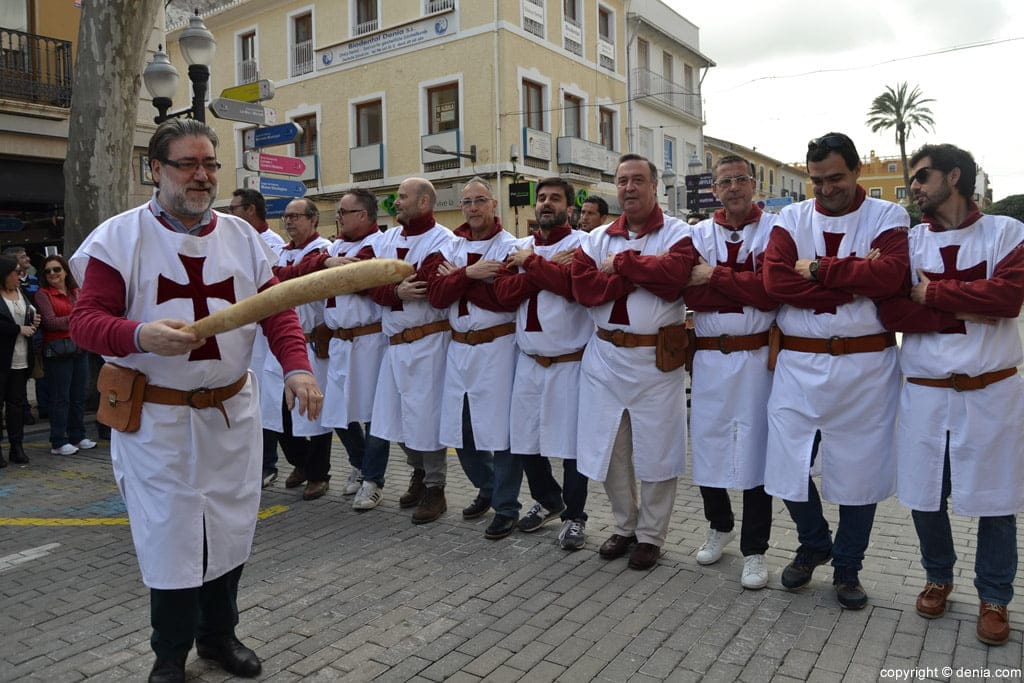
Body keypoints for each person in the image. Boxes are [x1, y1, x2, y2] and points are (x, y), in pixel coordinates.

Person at [68, 119, 320, 683]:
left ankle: (219, 637)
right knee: (171, 538)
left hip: (230, 414)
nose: (202, 175)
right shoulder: (119, 238)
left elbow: (276, 310)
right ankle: (169, 654)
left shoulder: (243, 237)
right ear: (156, 170)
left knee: (230, 530)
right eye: (188, 164)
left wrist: (298, 367)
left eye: (210, 164)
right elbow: (85, 322)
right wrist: (139, 335)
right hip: (157, 421)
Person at [879, 143, 1024, 645]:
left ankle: (995, 597)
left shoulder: (1007, 232)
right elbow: (892, 311)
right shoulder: (909, 243)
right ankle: (938, 575)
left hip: (991, 391)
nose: (914, 187)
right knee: (925, 495)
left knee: (997, 499)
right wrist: (971, 307)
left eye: (922, 176)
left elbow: (1008, 298)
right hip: (925, 392)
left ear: (954, 176)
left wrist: (934, 294)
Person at [762, 132, 909, 610]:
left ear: (857, 170)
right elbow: (775, 281)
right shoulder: (791, 217)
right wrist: (855, 279)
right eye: (817, 180)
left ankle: (848, 566)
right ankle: (814, 541)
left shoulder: (887, 215)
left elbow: (891, 276)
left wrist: (816, 269)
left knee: (860, 468)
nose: (825, 189)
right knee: (785, 460)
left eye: (835, 178)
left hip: (866, 365)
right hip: (798, 363)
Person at [571, 154, 693, 571]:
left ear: (654, 186)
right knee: (612, 448)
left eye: (638, 180)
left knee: (658, 450)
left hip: (655, 361)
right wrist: (642, 274)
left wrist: (622, 265)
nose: (629, 188)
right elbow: (584, 288)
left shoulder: (677, 233)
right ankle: (625, 525)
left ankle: (651, 535)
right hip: (605, 358)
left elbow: (675, 277)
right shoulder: (597, 238)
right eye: (622, 181)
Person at [683, 155, 777, 589]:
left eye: (741, 179)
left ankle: (755, 549)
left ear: (753, 184)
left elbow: (771, 292)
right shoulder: (697, 234)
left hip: (756, 357)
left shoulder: (776, 230)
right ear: (714, 189)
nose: (734, 187)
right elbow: (689, 294)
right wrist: (743, 283)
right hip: (709, 357)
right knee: (708, 445)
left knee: (756, 452)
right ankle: (719, 525)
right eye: (725, 181)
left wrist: (716, 277)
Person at [493, 177, 592, 550]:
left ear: (570, 207)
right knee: (524, 441)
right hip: (529, 360)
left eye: (556, 198)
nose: (547, 203)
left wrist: (532, 266)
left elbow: (574, 288)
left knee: (570, 447)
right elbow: (502, 294)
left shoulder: (583, 245)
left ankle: (575, 516)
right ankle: (549, 499)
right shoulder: (519, 247)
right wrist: (545, 269)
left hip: (570, 362)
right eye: (542, 198)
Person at [427, 177, 520, 539]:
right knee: (461, 429)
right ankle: (488, 486)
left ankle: (506, 506)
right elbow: (436, 295)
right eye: (467, 202)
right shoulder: (451, 246)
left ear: (494, 204)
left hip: (497, 348)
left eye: (480, 200)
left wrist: (458, 281)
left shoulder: (510, 246)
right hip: (459, 349)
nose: (473, 208)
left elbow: (504, 298)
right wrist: (470, 274)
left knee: (501, 432)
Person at [368, 178, 454, 524]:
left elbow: (427, 284)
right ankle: (418, 471)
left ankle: (436, 487)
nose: (397, 202)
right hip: (395, 344)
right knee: (395, 418)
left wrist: (390, 287)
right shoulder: (386, 239)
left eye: (403, 197)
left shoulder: (443, 240)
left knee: (426, 418)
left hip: (428, 342)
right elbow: (369, 284)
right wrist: (393, 291)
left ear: (424, 202)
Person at [321, 189, 391, 511]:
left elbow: (360, 277)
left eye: (343, 212)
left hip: (369, 342)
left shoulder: (379, 244)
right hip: (339, 342)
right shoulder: (334, 247)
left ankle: (374, 480)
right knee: (336, 410)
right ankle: (361, 464)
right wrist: (326, 262)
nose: (338, 217)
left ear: (363, 215)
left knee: (373, 414)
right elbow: (311, 268)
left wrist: (330, 269)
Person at [268, 198, 334, 501]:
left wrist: (293, 273)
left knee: (315, 411)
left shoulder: (325, 250)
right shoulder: (282, 252)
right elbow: (274, 279)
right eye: (286, 216)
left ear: (313, 219)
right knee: (280, 411)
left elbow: (302, 281)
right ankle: (301, 461)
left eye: (296, 216)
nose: (289, 221)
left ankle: (318, 473)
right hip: (287, 344)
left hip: (313, 342)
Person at [229, 188, 285, 488]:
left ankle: (268, 463)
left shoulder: (271, 244)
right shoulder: (233, 239)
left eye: (234, 208)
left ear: (250, 210)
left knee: (266, 403)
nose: (230, 214)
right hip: (242, 337)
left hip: (265, 338)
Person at [34, 254, 97, 456]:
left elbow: (88, 313)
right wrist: (77, 317)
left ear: (65, 271)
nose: (53, 273)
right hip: (58, 351)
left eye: (57, 269)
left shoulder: (76, 291)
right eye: (48, 271)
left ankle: (78, 435)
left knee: (78, 396)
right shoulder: (43, 294)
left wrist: (76, 318)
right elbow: (50, 322)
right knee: (60, 398)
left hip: (79, 347)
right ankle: (59, 440)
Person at [0, 254, 39, 467]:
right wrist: (17, 329)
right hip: (2, 359)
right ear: (4, 274)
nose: (20, 275)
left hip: (21, 358)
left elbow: (28, 317)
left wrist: (34, 321)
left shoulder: (21, 292)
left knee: (16, 406)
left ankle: (17, 447)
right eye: (16, 272)